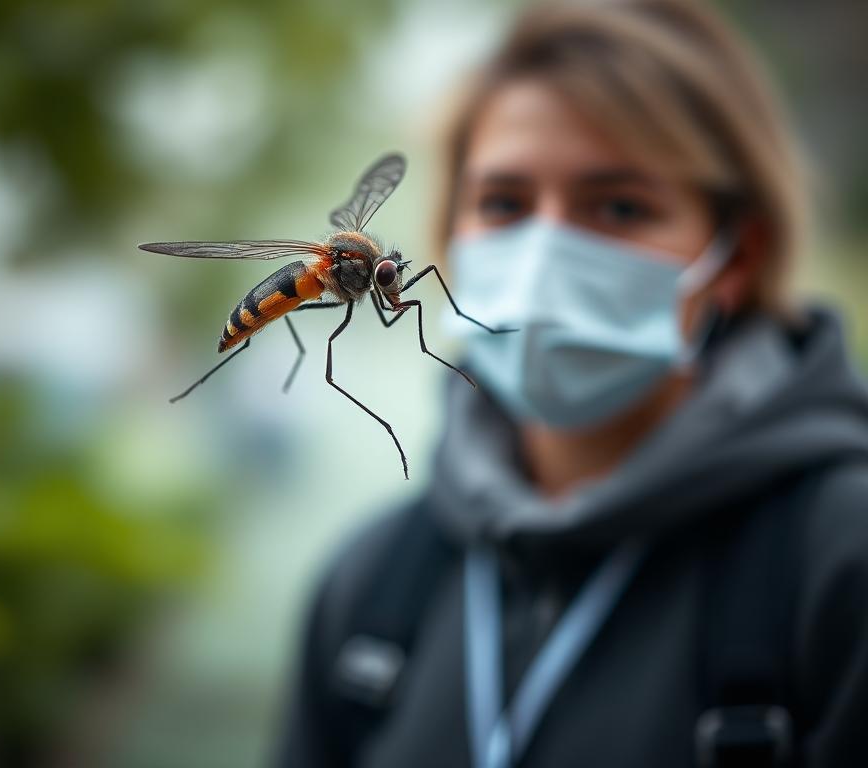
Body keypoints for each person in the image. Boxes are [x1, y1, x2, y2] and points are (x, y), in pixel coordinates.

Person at [273, 0, 868, 766]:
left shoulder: (838, 566)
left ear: (737, 257)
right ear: (448, 235)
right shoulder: (367, 590)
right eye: (504, 203)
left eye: (620, 206)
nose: (545, 249)